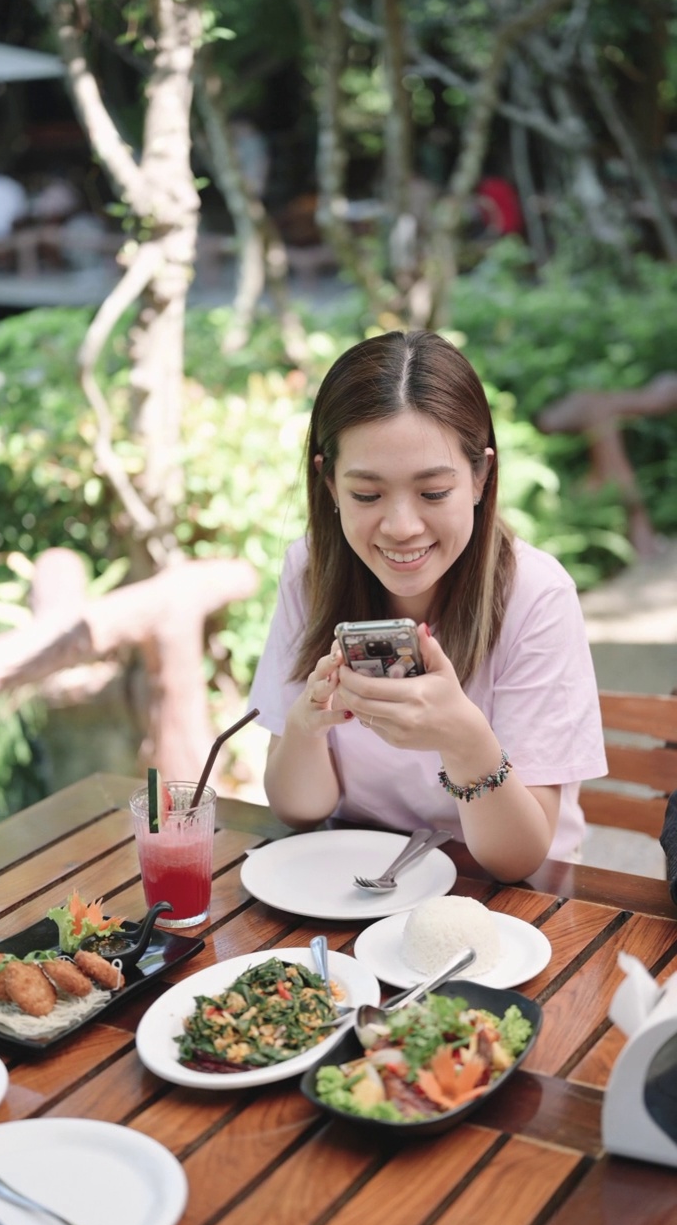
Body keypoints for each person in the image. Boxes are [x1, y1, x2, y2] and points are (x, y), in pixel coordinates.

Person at [248, 330, 608, 883]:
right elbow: (300, 808)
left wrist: (462, 736)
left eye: (433, 492)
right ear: (328, 483)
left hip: (510, 902)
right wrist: (305, 725)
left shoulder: (536, 598)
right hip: (355, 882)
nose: (402, 527)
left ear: (481, 477)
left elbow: (517, 859)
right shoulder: (310, 573)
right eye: (367, 495)